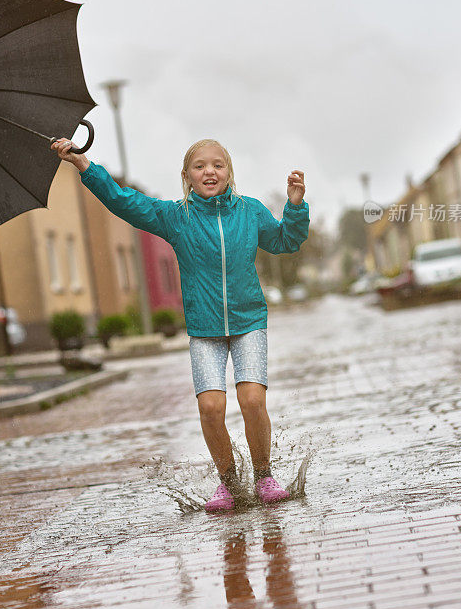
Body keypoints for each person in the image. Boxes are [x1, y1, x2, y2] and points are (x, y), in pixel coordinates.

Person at [51, 136, 309, 512]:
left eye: (218, 165)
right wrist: (83, 165)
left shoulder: (250, 211)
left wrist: (296, 206)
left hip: (248, 320)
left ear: (229, 173)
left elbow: (286, 241)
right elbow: (123, 200)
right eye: (200, 166)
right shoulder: (176, 217)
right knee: (210, 408)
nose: (210, 171)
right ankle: (229, 482)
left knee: (252, 399)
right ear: (187, 176)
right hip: (204, 329)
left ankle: (264, 476)